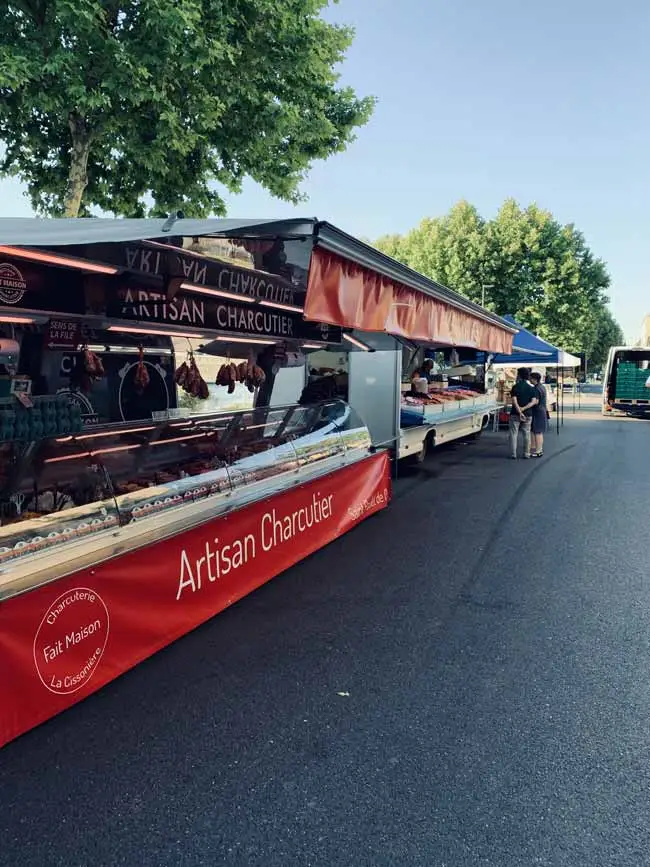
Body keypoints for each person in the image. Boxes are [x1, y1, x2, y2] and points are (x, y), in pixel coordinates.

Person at [509, 367, 538, 459]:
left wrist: (519, 411)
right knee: (526, 433)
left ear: (519, 376)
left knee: (513, 433)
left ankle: (513, 454)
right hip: (528, 414)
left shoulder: (515, 387)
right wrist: (524, 409)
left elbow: (514, 401)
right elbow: (533, 401)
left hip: (515, 414)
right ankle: (526, 453)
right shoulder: (532, 388)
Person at [530, 370, 549, 457]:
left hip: (537, 411)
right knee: (538, 432)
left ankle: (538, 451)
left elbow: (535, 401)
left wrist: (525, 407)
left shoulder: (536, 389)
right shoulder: (542, 387)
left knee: (537, 432)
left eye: (530, 378)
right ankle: (537, 449)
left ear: (534, 379)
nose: (529, 380)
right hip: (542, 410)